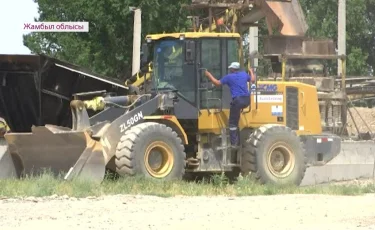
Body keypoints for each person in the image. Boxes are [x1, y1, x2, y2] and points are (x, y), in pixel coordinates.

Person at [204, 62, 253, 148]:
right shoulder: (244, 74)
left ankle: (234, 144)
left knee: (232, 124)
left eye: (230, 68)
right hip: (247, 100)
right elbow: (252, 79)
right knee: (236, 116)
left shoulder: (229, 77)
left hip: (238, 100)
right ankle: (237, 139)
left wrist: (208, 75)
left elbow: (217, 83)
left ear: (233, 69)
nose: (229, 69)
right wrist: (251, 71)